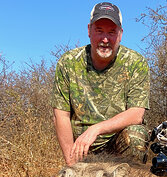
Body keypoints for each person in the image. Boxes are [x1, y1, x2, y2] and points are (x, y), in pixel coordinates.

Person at [52, 2, 150, 166]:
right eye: (99, 31)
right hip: (81, 148)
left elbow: (136, 114)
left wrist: (95, 129)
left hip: (117, 145)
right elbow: (60, 115)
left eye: (112, 32)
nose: (105, 39)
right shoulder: (67, 62)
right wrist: (71, 162)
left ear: (120, 34)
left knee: (135, 135)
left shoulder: (136, 62)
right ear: (89, 30)